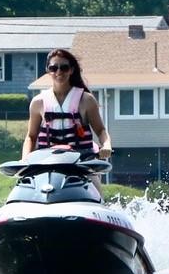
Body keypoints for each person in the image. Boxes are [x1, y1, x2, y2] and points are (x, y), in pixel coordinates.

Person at [22, 49, 112, 195]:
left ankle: (99, 207)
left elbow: (101, 131)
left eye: (64, 67)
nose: (59, 72)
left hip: (81, 163)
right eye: (53, 68)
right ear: (48, 70)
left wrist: (106, 145)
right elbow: (31, 137)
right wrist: (25, 159)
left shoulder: (86, 100)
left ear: (71, 70)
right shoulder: (38, 103)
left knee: (95, 188)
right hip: (46, 163)